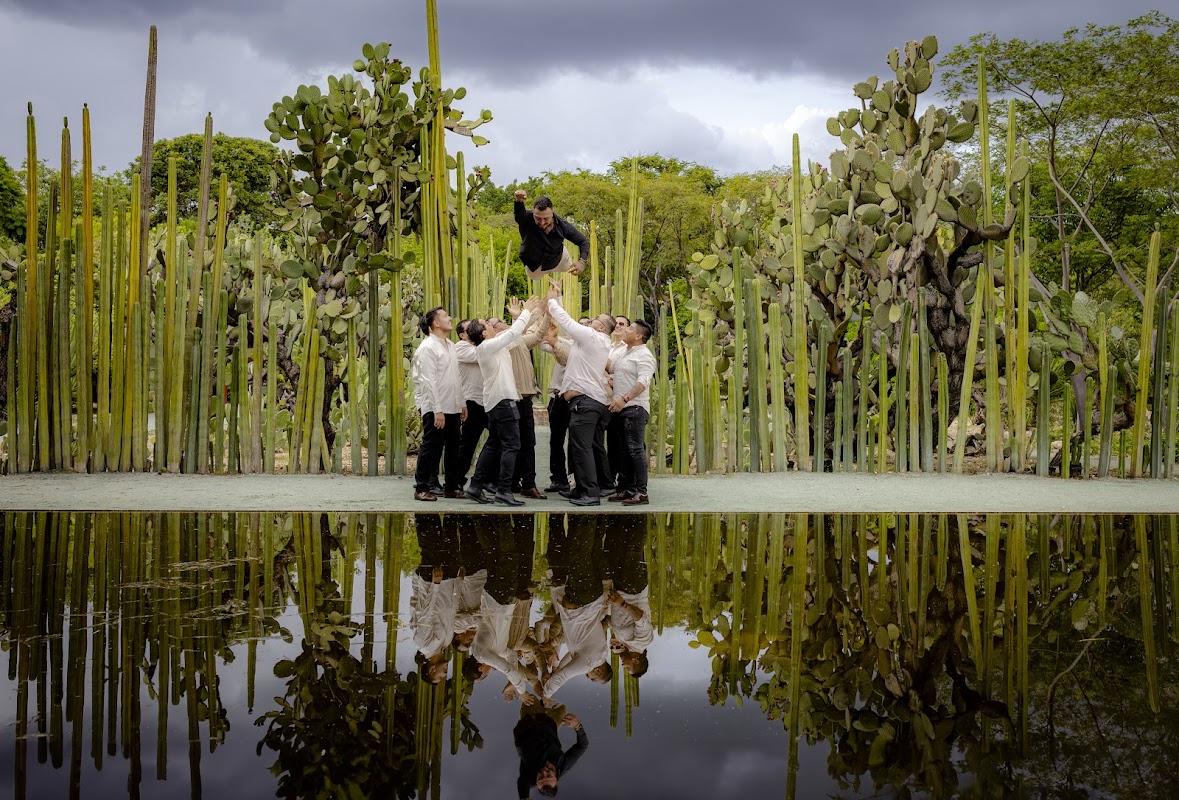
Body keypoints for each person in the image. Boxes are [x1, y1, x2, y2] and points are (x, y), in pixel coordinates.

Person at [543, 278, 615, 507]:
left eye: (595, 320)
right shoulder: (589, 341)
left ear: (602, 327)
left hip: (586, 402)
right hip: (584, 402)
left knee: (582, 449)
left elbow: (568, 324)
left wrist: (553, 302)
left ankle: (590, 493)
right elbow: (565, 335)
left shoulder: (594, 338)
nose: (591, 321)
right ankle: (581, 490)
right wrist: (559, 297)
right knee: (578, 447)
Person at [466, 296, 543, 506]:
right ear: (484, 333)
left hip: (497, 402)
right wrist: (525, 312)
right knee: (512, 445)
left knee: (494, 444)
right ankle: (503, 491)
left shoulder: (494, 346)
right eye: (488, 325)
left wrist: (524, 314)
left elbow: (516, 335)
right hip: (503, 402)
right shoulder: (487, 346)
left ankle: (475, 486)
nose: (491, 326)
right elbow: (513, 332)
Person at [411, 307, 466, 501]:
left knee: (453, 446)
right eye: (444, 316)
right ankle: (421, 487)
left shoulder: (450, 345)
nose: (449, 318)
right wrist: (437, 410)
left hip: (452, 404)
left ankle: (451, 486)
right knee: (431, 446)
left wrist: (462, 403)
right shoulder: (427, 348)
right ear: (435, 323)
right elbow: (428, 381)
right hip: (435, 406)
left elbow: (456, 377)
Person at [606, 319, 657, 505]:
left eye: (629, 328)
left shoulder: (644, 355)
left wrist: (624, 399)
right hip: (621, 408)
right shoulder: (624, 353)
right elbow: (610, 367)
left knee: (635, 450)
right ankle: (626, 488)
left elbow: (643, 382)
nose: (625, 330)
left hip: (635, 408)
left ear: (638, 336)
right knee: (623, 451)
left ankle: (641, 492)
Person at [514, 190, 590, 281]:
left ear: (552, 213)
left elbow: (583, 241)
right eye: (538, 218)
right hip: (535, 266)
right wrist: (519, 201)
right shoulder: (526, 219)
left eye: (546, 219)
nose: (542, 223)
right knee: (535, 278)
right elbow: (519, 213)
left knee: (568, 266)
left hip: (559, 259)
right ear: (533, 213)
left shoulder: (563, 225)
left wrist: (582, 262)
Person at [513, 709, 587, 799]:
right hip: (549, 723)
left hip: (529, 721)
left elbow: (522, 785)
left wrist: (524, 797)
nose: (544, 771)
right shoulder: (564, 765)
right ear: (556, 779)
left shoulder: (528, 777)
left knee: (531, 699)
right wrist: (577, 725)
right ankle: (546, 703)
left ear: (536, 783)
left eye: (540, 777)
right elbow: (582, 746)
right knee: (561, 709)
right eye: (548, 775)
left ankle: (542, 702)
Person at [540, 320, 574, 493]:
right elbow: (543, 345)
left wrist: (556, 338)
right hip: (557, 396)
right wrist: (553, 336)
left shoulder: (585, 348)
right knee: (556, 440)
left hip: (575, 397)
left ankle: (575, 479)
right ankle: (558, 479)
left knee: (576, 441)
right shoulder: (560, 345)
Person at [453, 319, 487, 491]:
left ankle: (485, 479)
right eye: (471, 329)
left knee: (499, 440)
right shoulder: (461, 347)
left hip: (486, 400)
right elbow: (481, 355)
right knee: (467, 444)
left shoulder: (482, 346)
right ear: (462, 334)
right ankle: (455, 482)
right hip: (471, 401)